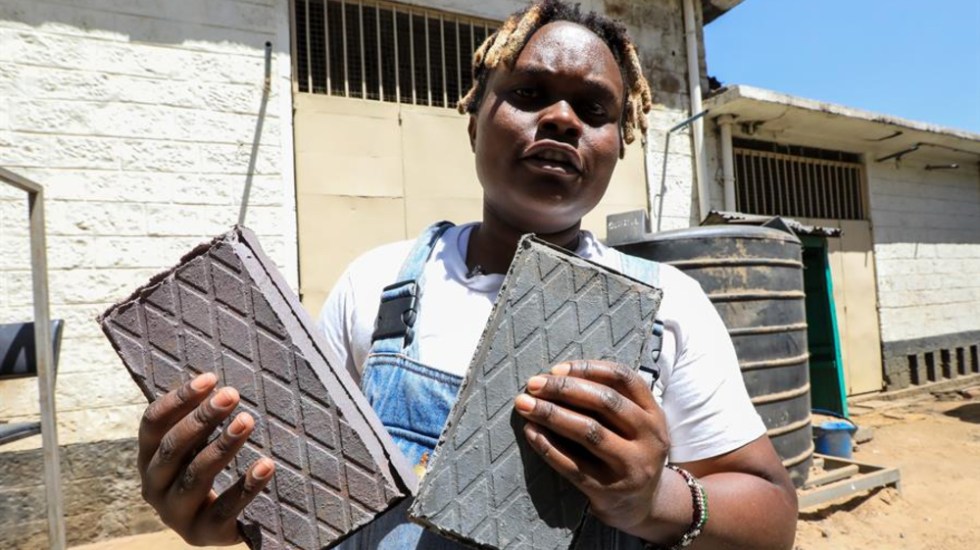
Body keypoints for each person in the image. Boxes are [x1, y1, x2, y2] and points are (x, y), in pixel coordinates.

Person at [135, 1, 798, 548]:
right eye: (528, 94)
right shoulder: (376, 283)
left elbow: (772, 516)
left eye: (594, 110)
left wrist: (657, 499)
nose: (561, 119)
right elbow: (302, 492)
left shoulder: (668, 305)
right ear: (475, 118)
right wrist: (227, 510)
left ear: (619, 144)